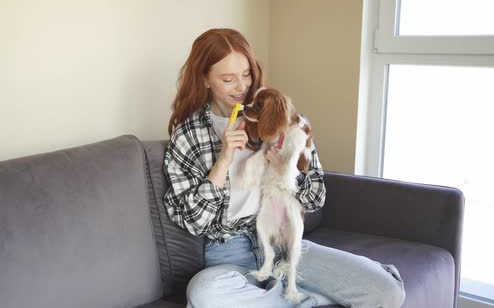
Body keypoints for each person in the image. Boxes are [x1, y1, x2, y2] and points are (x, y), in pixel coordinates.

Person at [163, 28, 405, 308]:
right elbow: (194, 222)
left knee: (386, 292)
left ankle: (280, 296)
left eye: (246, 74)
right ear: (204, 79)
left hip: (287, 241)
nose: (241, 86)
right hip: (229, 254)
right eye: (227, 79)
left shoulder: (280, 115)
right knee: (204, 294)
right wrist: (223, 160)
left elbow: (316, 197)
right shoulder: (187, 135)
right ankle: (304, 298)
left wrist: (289, 172)